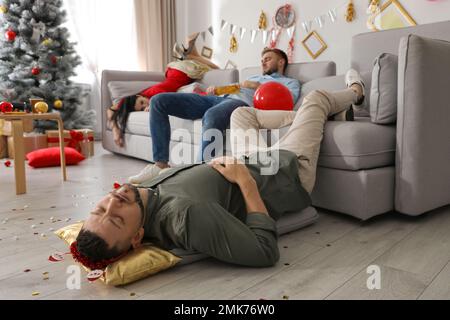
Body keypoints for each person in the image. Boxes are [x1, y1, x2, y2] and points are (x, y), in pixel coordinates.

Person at [71, 69, 365, 270]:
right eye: (117, 220)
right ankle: (354, 92)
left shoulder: (144, 197)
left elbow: (151, 181)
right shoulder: (186, 217)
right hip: (288, 171)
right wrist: (245, 183)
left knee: (241, 113)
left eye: (99, 210)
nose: (112, 204)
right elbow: (264, 252)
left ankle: (310, 117)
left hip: (254, 158)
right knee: (316, 97)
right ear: (137, 239)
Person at [128, 48, 301, 184]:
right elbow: (233, 89)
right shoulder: (255, 76)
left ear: (281, 61)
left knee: (212, 115)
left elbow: (285, 102)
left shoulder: (290, 83)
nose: (263, 63)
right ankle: (160, 164)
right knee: (159, 101)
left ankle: (198, 174)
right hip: (217, 98)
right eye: (262, 60)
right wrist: (218, 89)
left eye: (268, 59)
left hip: (241, 106)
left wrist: (257, 86)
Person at [107, 33, 219, 147]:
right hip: (172, 72)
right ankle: (188, 48)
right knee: (203, 61)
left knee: (216, 69)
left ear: (138, 96)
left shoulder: (154, 96)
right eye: (141, 108)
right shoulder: (145, 98)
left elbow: (110, 110)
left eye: (142, 102)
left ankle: (188, 54)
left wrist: (115, 131)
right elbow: (111, 110)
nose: (145, 104)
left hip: (181, 73)